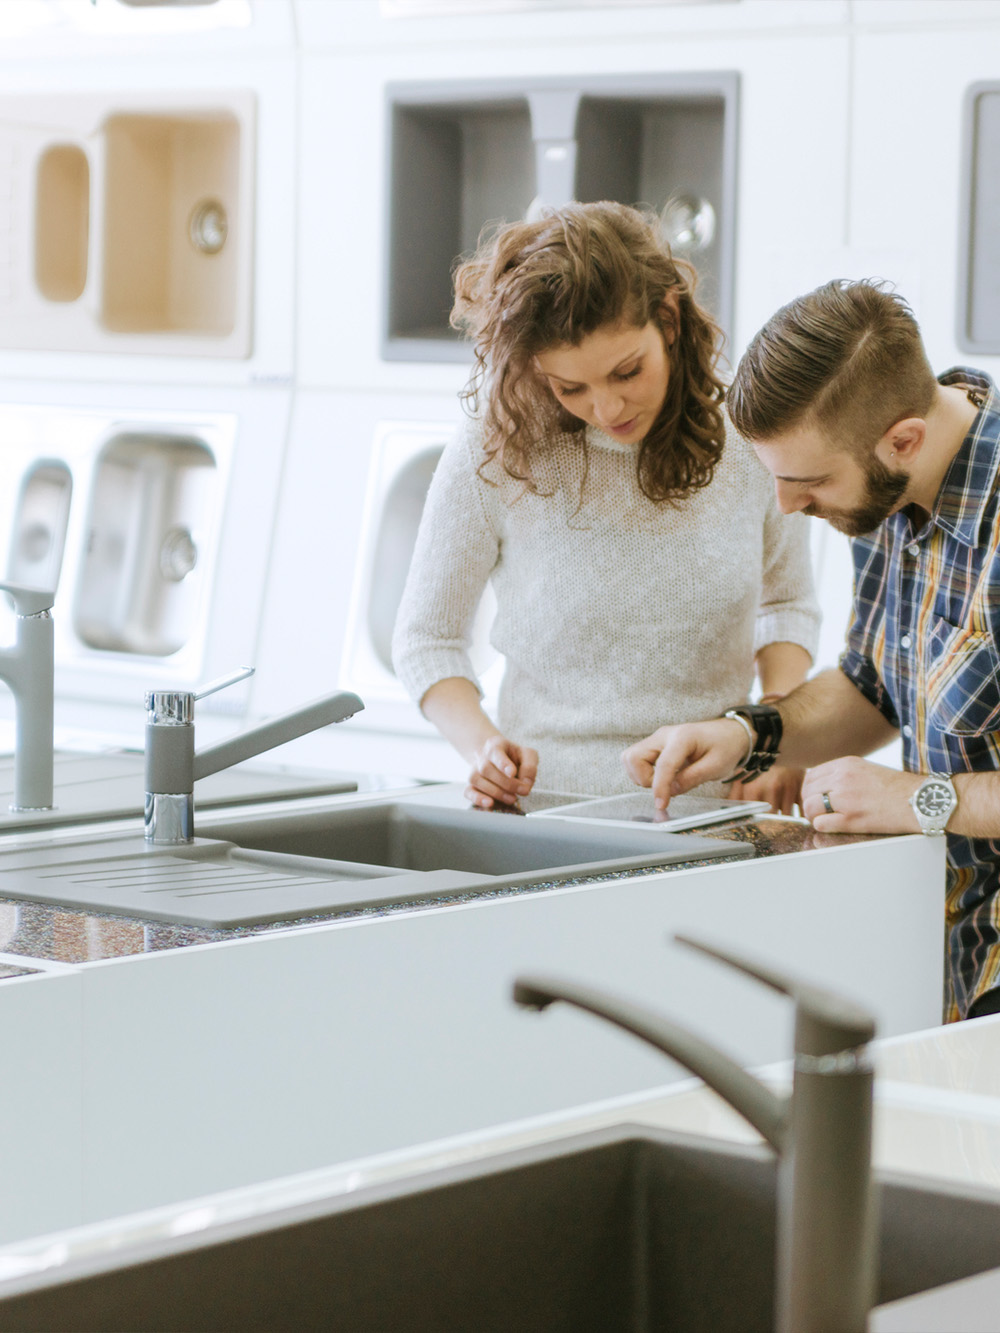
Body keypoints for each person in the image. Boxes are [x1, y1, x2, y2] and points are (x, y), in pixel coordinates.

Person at [623, 278, 1000, 1022]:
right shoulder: (890, 497)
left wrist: (915, 798)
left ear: (904, 438)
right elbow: (871, 688)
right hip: (950, 947)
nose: (789, 506)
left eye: (809, 482)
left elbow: (922, 793)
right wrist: (747, 735)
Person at [392, 201, 819, 811]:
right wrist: (484, 748)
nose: (608, 408)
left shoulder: (747, 443)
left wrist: (774, 729)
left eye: (627, 372)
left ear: (668, 320)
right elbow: (426, 640)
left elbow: (787, 605)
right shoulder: (496, 451)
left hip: (715, 818)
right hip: (546, 819)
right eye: (571, 388)